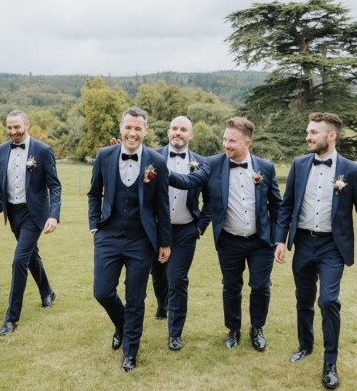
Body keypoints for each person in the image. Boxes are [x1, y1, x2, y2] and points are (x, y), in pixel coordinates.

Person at [274, 112, 357, 390]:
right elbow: (286, 205)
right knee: (303, 300)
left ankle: (330, 362)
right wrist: (280, 240)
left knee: (328, 301)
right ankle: (305, 345)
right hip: (303, 242)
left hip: (333, 246)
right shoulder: (299, 164)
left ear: (331, 136)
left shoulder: (352, 171)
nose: (308, 136)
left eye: (314, 132)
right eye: (308, 131)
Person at [169, 117, 281, 351]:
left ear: (247, 143)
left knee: (261, 286)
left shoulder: (266, 168)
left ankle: (256, 328)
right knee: (231, 286)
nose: (226, 145)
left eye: (232, 141)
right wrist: (164, 171)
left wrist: (278, 237)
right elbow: (190, 181)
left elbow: (276, 206)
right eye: (224, 139)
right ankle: (233, 330)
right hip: (229, 240)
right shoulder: (212, 164)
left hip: (261, 241)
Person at [88, 106, 172, 372]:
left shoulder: (156, 163)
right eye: (128, 127)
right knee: (102, 291)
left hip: (141, 240)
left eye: (138, 128)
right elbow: (94, 194)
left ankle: (130, 352)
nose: (132, 133)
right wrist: (94, 225)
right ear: (121, 128)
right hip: (108, 236)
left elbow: (162, 206)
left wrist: (165, 242)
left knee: (136, 298)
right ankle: (122, 326)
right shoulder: (104, 156)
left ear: (145, 130)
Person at [0, 110, 62, 336]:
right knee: (30, 256)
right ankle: (47, 291)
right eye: (9, 128)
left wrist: (54, 215)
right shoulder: (0, 150)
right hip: (14, 214)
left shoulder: (42, 150)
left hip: (34, 214)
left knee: (19, 260)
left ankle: (11, 318)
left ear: (27, 124)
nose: (13, 132)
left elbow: (55, 185)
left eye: (16, 127)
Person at [150, 116, 211, 351]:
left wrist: (200, 227)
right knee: (158, 276)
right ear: (168, 132)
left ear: (190, 135)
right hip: (155, 230)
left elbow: (210, 201)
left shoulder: (202, 163)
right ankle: (162, 304)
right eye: (174, 128)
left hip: (186, 230)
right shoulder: (152, 157)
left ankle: (175, 334)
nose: (178, 132)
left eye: (183, 129)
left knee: (178, 280)